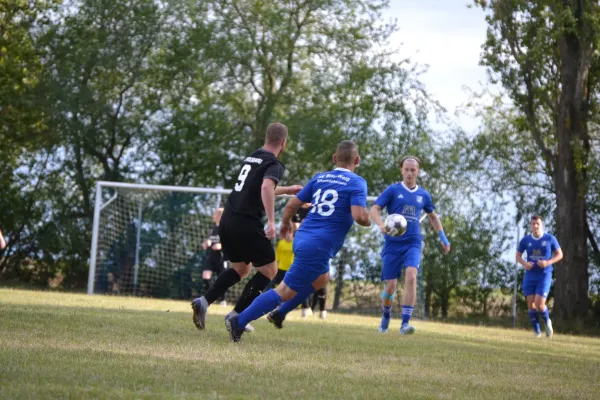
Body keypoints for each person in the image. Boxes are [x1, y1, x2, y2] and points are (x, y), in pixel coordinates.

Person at [226, 140, 371, 342]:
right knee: (284, 290)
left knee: (322, 277)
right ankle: (239, 321)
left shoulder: (320, 178)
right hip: (318, 244)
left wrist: (285, 223)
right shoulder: (357, 182)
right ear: (357, 160)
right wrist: (369, 220)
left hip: (303, 236)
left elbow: (292, 205)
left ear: (334, 159)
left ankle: (280, 313)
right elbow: (359, 216)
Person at [191, 122, 302, 331]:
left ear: (266, 139)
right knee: (270, 271)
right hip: (246, 222)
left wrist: (288, 190)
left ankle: (203, 302)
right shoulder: (274, 163)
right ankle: (237, 316)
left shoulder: (252, 157)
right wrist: (271, 221)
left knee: (241, 269)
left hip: (227, 220)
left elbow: (261, 188)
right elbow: (266, 186)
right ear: (284, 143)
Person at [370, 156, 450, 335]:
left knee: (412, 276)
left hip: (413, 242)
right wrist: (381, 224)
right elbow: (374, 209)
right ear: (401, 170)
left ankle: (405, 324)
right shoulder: (393, 190)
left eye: (413, 170)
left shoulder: (423, 195)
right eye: (406, 169)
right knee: (390, 286)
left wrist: (443, 237)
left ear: (418, 172)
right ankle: (386, 316)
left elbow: (432, 216)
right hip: (392, 243)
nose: (409, 173)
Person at [516, 215, 563, 338]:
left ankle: (547, 322)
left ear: (541, 225)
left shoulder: (549, 238)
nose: (535, 226)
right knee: (531, 304)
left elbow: (559, 254)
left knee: (539, 303)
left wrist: (547, 262)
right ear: (530, 225)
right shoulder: (526, 240)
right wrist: (525, 264)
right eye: (533, 223)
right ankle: (537, 332)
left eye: (537, 223)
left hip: (544, 275)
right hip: (530, 276)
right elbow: (518, 256)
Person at [201, 208, 228, 307]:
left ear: (220, 216)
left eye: (215, 214)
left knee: (222, 280)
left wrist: (221, 245)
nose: (213, 215)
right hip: (211, 257)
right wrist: (205, 243)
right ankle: (210, 298)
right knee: (205, 276)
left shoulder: (225, 228)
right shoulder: (212, 229)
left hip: (221, 258)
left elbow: (230, 242)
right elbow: (208, 241)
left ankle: (223, 300)